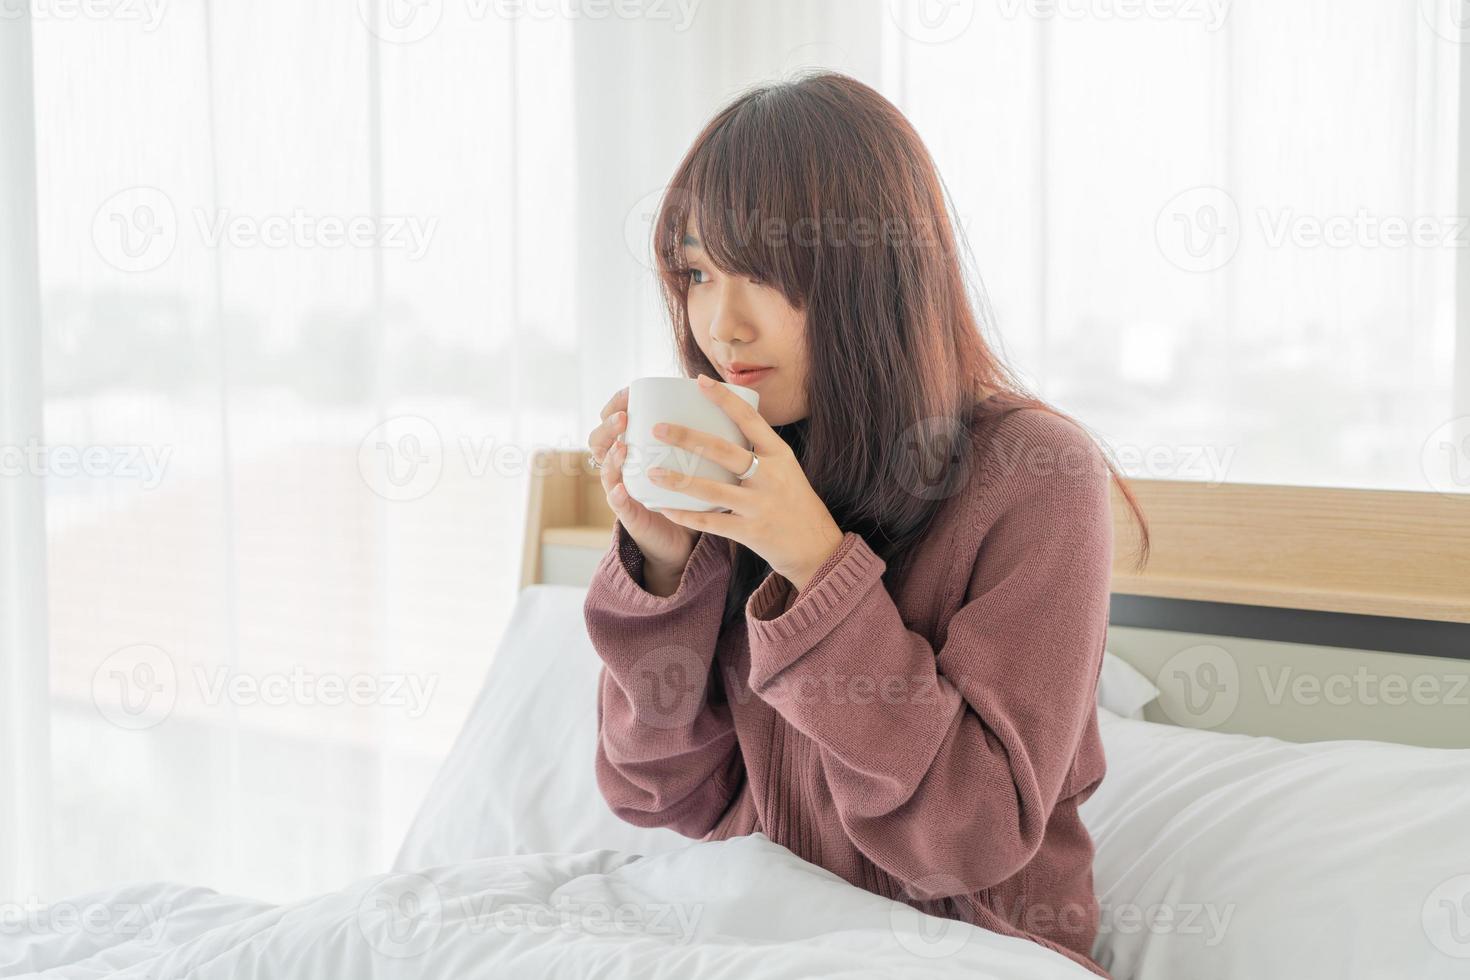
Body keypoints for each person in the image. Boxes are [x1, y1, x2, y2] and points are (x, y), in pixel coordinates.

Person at [582, 70, 1148, 979]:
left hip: (969, 955)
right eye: (696, 272)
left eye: (764, 272)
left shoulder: (1036, 474)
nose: (720, 323)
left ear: (872, 272)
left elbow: (971, 838)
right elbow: (659, 796)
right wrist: (661, 567)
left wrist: (814, 565)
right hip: (743, 938)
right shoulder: (750, 457)